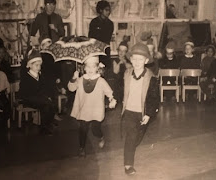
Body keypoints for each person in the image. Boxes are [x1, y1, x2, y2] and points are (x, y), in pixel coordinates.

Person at [68, 56, 117, 157]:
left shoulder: (101, 81)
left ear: (97, 68)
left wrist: (112, 99)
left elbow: (109, 92)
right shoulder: (80, 79)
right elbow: (71, 88)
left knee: (95, 130)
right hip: (84, 109)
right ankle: (82, 148)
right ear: (84, 68)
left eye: (93, 67)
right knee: (83, 128)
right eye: (88, 66)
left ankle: (101, 136)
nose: (90, 69)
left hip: (96, 110)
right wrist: (73, 78)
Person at [122, 43, 159, 175]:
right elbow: (122, 90)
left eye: (140, 59)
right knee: (131, 137)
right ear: (130, 60)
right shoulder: (127, 74)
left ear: (146, 60)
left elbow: (154, 98)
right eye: (134, 59)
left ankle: (130, 148)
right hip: (129, 111)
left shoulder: (151, 77)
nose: (137, 62)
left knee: (138, 137)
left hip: (143, 113)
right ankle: (128, 165)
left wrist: (148, 114)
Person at [19, 49, 56, 136]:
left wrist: (46, 96)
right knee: (46, 105)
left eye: (40, 65)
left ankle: (48, 123)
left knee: (51, 103)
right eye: (36, 65)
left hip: (38, 98)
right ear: (30, 65)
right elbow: (25, 92)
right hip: (27, 98)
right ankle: (43, 128)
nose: (39, 67)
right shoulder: (26, 77)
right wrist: (41, 97)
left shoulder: (40, 76)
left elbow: (43, 88)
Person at [88, 0, 114, 69]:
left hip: (106, 50)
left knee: (105, 70)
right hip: (96, 51)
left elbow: (107, 38)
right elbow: (91, 38)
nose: (108, 12)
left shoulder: (110, 24)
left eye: (109, 10)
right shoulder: (94, 22)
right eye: (106, 10)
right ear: (100, 10)